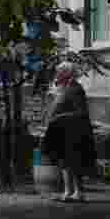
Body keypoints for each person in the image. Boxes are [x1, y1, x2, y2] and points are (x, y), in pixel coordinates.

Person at [43, 62, 96, 202]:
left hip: (74, 132)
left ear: (67, 74)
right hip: (63, 132)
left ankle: (78, 193)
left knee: (74, 162)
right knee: (64, 162)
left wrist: (60, 117)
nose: (57, 75)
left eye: (59, 72)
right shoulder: (64, 88)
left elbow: (81, 112)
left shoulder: (76, 89)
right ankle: (68, 192)